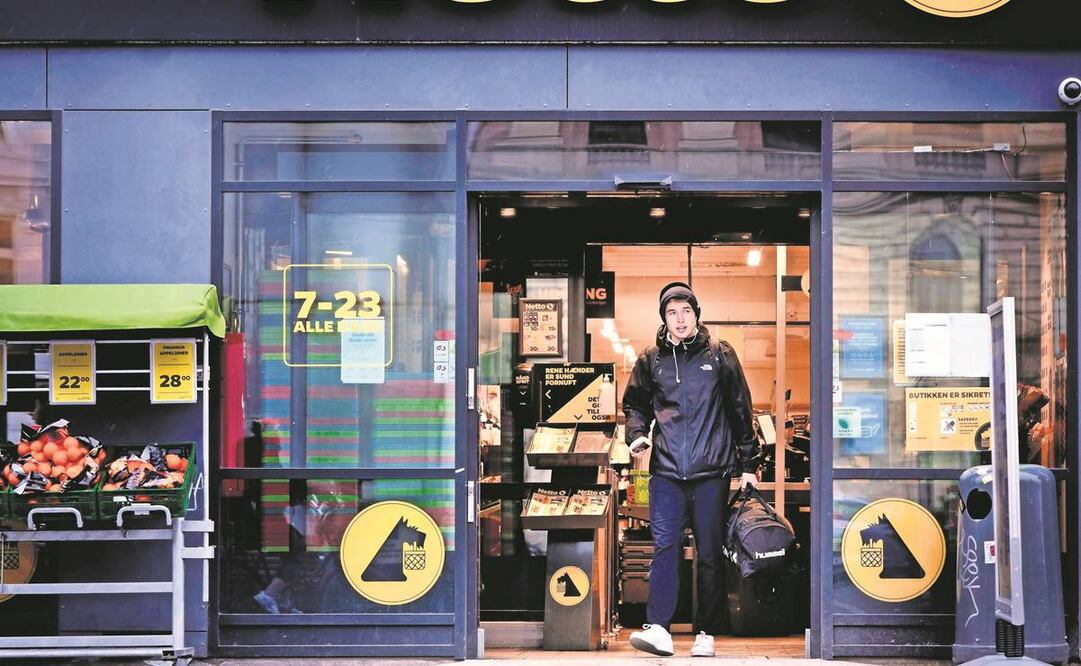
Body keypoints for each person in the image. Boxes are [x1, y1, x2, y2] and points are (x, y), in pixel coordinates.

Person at [623, 281, 761, 658]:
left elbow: (740, 411)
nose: (679, 319)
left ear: (696, 314)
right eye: (671, 313)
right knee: (664, 546)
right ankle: (659, 629)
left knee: (709, 554)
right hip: (666, 472)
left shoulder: (719, 355)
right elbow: (635, 405)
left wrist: (748, 464)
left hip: (711, 473)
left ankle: (705, 632)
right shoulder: (651, 358)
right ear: (664, 318)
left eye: (685, 311)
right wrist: (636, 434)